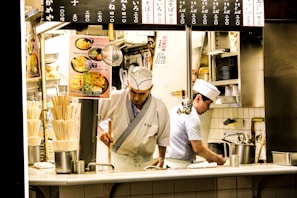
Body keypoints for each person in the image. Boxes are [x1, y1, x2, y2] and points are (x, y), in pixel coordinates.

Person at [97, 66, 170, 171]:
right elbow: (92, 119)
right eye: (133, 92)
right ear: (128, 84)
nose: (136, 97)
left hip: (147, 164)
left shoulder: (159, 106)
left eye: (141, 94)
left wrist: (161, 161)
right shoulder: (115, 98)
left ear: (150, 88)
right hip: (119, 162)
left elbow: (163, 138)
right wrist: (100, 132)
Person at [165, 79, 226, 168]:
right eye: (208, 104)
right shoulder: (191, 115)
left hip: (169, 163)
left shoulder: (177, 109)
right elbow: (198, 148)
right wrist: (217, 159)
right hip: (180, 166)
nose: (208, 108)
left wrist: (209, 156)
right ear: (198, 98)